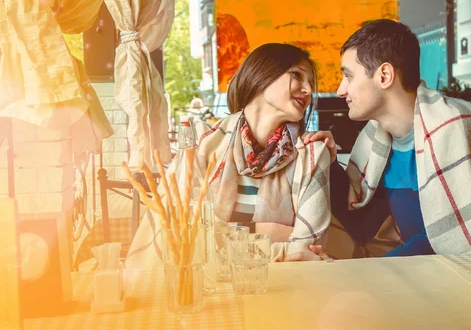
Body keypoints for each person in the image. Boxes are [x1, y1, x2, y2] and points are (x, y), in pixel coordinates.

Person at [305, 19, 471, 259]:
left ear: (384, 76)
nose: (340, 89)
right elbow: (361, 225)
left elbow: (450, 240)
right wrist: (329, 162)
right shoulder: (375, 140)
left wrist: (372, 271)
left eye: (348, 76)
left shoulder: (453, 126)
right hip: (424, 272)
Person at [127, 43, 331, 267]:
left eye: (310, 84)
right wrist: (263, 233)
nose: (308, 91)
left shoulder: (311, 153)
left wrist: (225, 234)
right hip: (208, 286)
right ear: (262, 73)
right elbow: (184, 233)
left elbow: (306, 249)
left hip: (284, 286)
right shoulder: (203, 142)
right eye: (297, 75)